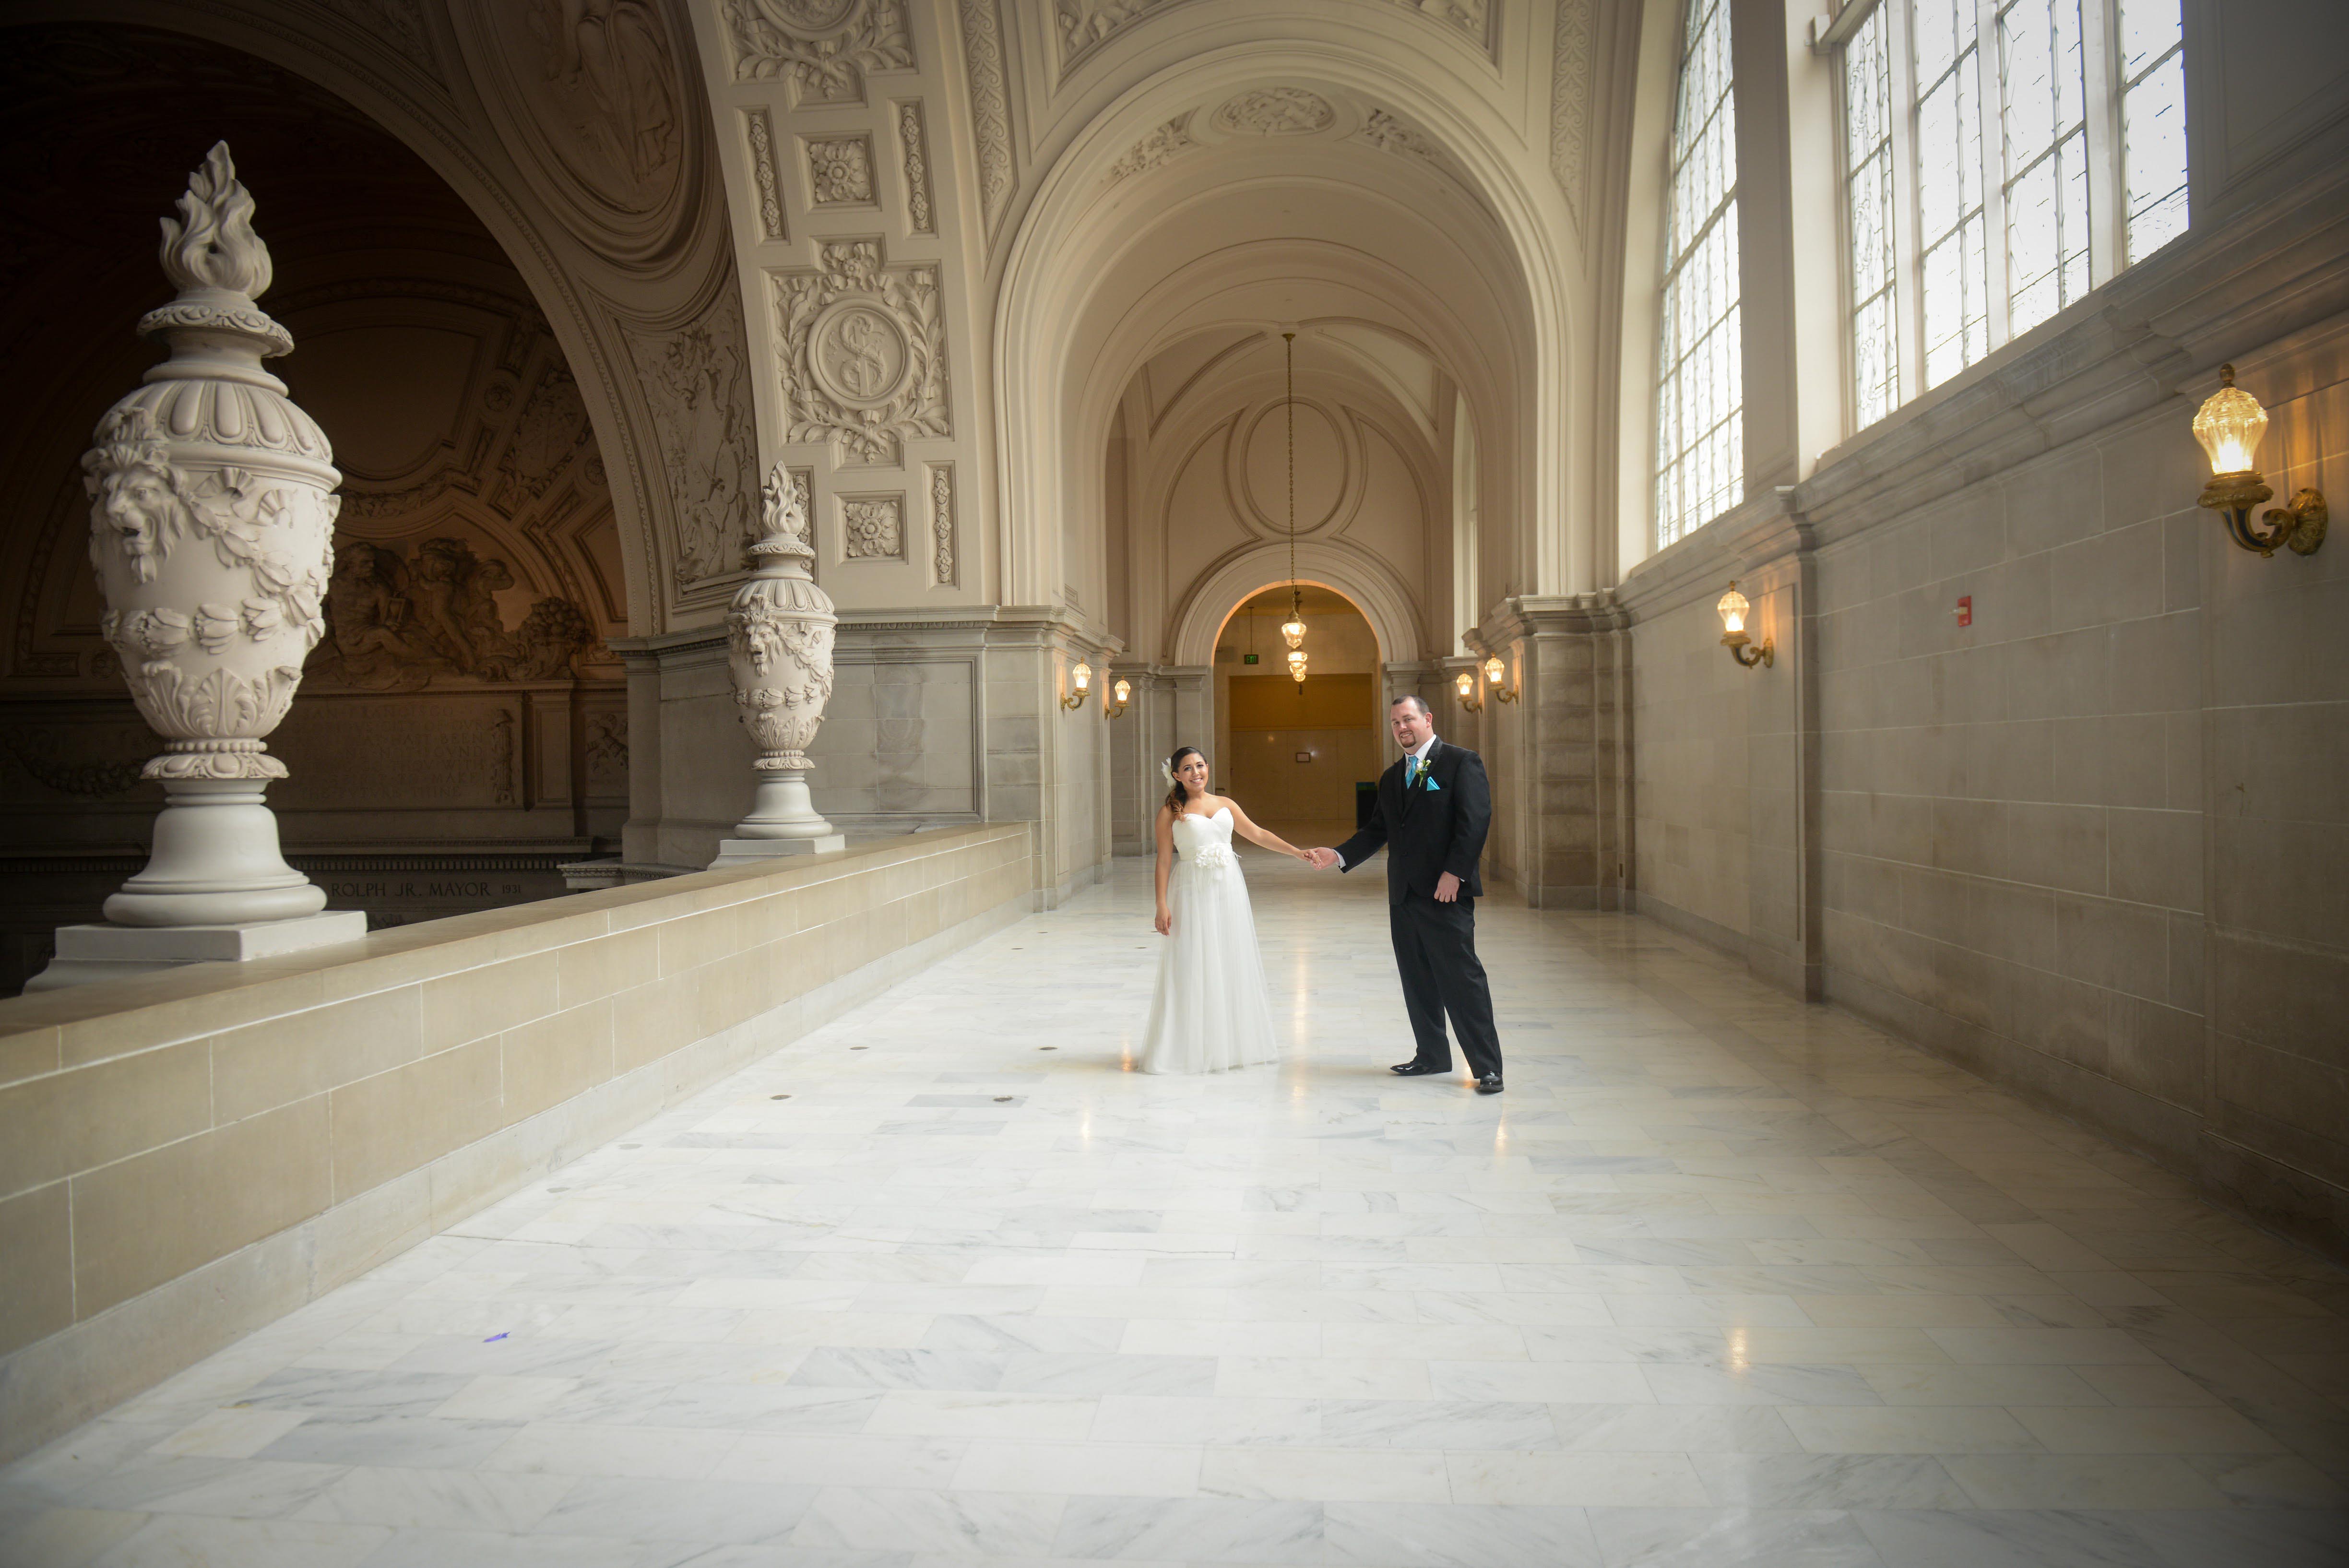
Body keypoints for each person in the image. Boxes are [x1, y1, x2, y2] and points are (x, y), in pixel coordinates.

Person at [1309, 695, 1505, 1093]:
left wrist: (1455, 873)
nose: (1402, 728)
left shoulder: (1461, 762)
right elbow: (1378, 831)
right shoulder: (1391, 777)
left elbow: (1475, 821)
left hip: (1445, 893)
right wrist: (1340, 854)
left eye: (1409, 719)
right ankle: (1432, 1056)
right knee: (1417, 981)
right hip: (1403, 896)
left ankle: (1487, 1067)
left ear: (1427, 720)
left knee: (1462, 980)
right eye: (1396, 722)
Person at [1139, 746, 1314, 1074]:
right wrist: (1161, 903)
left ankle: (1230, 1046)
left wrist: (1296, 852)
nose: (1196, 773)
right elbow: (1164, 861)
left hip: (1229, 888)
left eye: (1201, 766)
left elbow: (1258, 834)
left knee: (1229, 958)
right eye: (1188, 769)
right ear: (1176, 775)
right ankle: (1188, 1047)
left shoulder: (1225, 804)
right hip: (1191, 890)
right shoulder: (1170, 812)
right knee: (1193, 961)